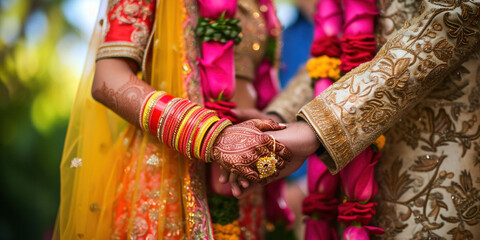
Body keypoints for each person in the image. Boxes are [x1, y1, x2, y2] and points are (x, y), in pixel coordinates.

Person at [232, 0, 480, 238]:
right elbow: (334, 56)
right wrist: (276, 121)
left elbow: (454, 19)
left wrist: (319, 127)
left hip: (434, 166)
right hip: (345, 178)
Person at [53, 0, 290, 239]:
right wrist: (212, 137)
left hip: (245, 179)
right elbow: (108, 79)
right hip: (169, 177)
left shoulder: (264, 4)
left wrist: (270, 123)